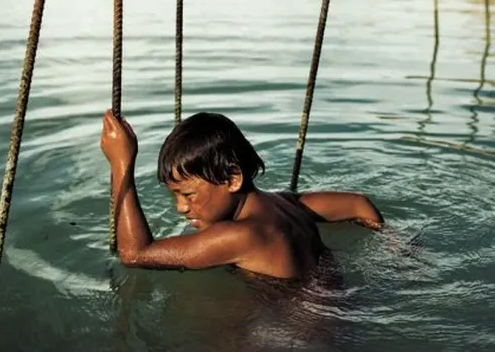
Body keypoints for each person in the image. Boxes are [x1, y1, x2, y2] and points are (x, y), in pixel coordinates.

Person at [100, 109, 384, 281]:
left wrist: (121, 164)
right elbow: (358, 204)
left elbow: (135, 254)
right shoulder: (286, 203)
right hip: (335, 313)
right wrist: (392, 244)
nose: (181, 208)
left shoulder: (240, 236)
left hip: (296, 337)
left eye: (187, 194)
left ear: (233, 178)